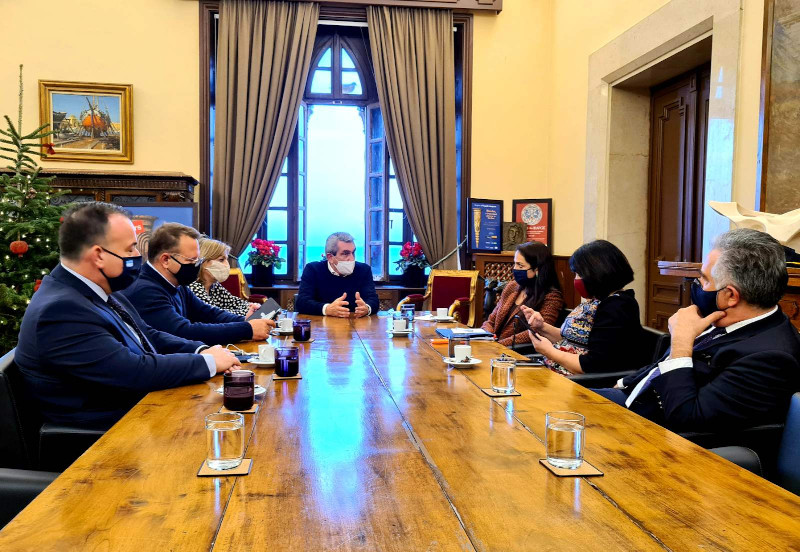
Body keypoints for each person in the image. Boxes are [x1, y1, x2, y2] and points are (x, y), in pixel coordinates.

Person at [15, 202, 240, 429]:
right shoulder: (61, 310)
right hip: (106, 431)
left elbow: (147, 334)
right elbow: (134, 371)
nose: (138, 256)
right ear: (99, 255)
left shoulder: (98, 288)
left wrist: (201, 350)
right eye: (130, 249)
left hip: (136, 408)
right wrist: (208, 363)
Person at [594, 228, 800, 433]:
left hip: (654, 432)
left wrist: (681, 345)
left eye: (705, 279)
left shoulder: (771, 358)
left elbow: (686, 419)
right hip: (631, 400)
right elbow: (660, 367)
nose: (697, 284)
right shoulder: (722, 317)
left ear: (730, 296)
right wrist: (622, 384)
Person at [122, 223, 274, 345]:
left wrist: (246, 321)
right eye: (191, 260)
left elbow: (208, 313)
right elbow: (183, 331)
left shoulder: (176, 282)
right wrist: (246, 329)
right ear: (166, 260)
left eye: (198, 260)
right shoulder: (145, 289)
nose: (196, 266)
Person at [521, 239, 645, 375]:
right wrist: (541, 327)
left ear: (596, 273)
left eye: (579, 274)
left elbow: (593, 365)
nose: (576, 279)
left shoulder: (617, 307)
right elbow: (571, 340)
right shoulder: (598, 300)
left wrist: (549, 351)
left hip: (579, 383)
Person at [482, 241, 564, 348]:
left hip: (517, 352)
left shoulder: (552, 296)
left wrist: (498, 345)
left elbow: (538, 332)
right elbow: (491, 320)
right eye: (515, 263)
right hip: (493, 346)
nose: (515, 268)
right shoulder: (512, 286)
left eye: (520, 265)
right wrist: (486, 337)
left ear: (537, 269)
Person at [295, 232, 379, 317]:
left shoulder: (364, 270)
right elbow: (302, 302)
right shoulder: (313, 270)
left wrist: (367, 308)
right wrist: (327, 309)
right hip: (322, 323)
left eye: (353, 253)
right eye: (345, 253)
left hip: (355, 322)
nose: (351, 258)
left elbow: (373, 300)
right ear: (330, 257)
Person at [189, 237, 260, 318]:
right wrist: (249, 311)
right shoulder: (194, 288)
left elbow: (234, 303)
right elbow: (216, 315)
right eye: (221, 260)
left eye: (226, 259)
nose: (227, 264)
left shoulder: (214, 285)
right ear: (203, 262)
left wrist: (251, 306)